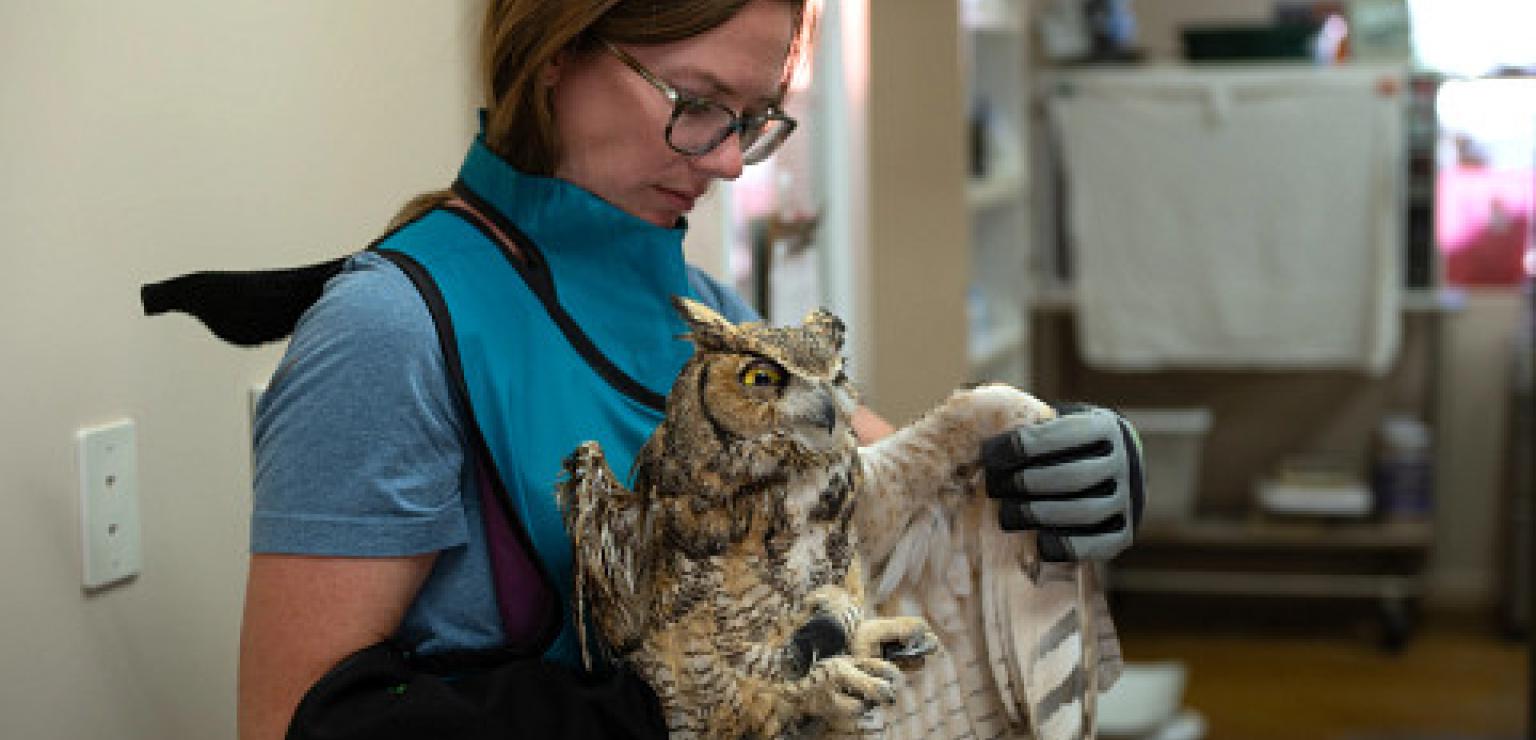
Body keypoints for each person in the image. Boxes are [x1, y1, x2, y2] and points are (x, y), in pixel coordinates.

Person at [234, 2, 1145, 738]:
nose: (727, 162)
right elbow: (290, 724)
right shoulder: (389, 332)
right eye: (698, 102)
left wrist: (1049, 458)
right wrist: (658, 708)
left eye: (753, 120)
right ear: (557, 48)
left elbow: (898, 498)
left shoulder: (711, 315)